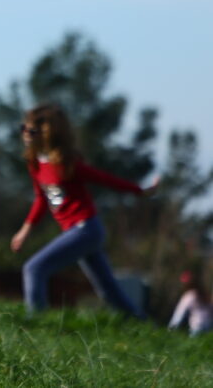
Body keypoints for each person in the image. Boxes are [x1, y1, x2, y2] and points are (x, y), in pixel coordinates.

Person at [10, 103, 158, 317]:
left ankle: (35, 323)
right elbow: (42, 198)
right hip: (75, 231)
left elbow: (106, 180)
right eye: (23, 128)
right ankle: (145, 326)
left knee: (34, 268)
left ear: (47, 134)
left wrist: (140, 191)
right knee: (109, 291)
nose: (25, 134)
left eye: (31, 130)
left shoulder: (66, 164)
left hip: (86, 229)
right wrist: (25, 230)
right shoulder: (35, 164)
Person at [169, 270, 213, 337]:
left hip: (197, 329)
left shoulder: (189, 296)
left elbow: (178, 316)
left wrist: (170, 331)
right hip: (209, 329)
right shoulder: (204, 295)